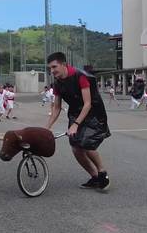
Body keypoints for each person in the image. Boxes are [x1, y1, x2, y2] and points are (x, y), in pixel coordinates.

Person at [45, 52, 111, 190]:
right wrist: (47, 127)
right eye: (49, 68)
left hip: (93, 113)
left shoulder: (81, 76)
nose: (52, 71)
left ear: (64, 64)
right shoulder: (57, 83)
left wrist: (75, 125)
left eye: (54, 67)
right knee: (76, 147)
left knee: (86, 143)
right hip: (75, 113)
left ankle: (102, 172)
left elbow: (88, 104)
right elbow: (57, 108)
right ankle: (94, 177)